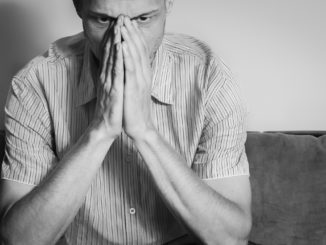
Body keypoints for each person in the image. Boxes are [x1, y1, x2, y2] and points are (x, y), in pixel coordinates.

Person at [0, 0, 252, 244]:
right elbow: (19, 239)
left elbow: (230, 237)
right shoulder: (36, 84)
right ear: (78, 6)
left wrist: (145, 132)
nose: (121, 39)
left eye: (143, 19)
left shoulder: (209, 77)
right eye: (103, 19)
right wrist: (100, 131)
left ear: (168, 3)